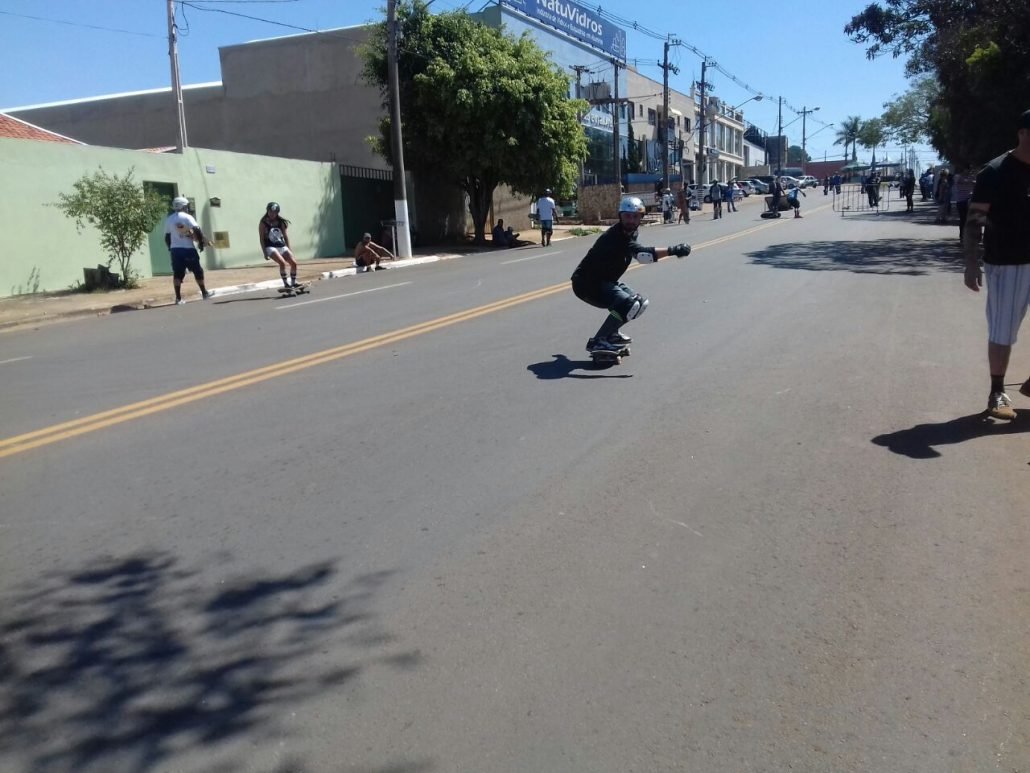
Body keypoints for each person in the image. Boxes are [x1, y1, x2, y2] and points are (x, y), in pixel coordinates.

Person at [962, 108, 1030, 420]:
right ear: (1022, 133)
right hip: (1007, 262)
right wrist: (971, 263)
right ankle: (997, 391)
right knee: (1003, 329)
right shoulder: (995, 171)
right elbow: (974, 221)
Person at [571, 195, 691, 356]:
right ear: (620, 216)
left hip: (604, 280)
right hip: (587, 284)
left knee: (640, 303)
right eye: (627, 216)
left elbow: (636, 252)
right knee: (629, 304)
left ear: (641, 218)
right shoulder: (616, 237)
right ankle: (599, 340)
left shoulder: (630, 233)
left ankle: (611, 334)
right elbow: (643, 255)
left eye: (635, 217)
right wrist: (673, 250)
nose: (631, 220)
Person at [163, 196, 213, 305]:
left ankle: (178, 298)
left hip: (175, 250)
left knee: (177, 273)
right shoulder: (187, 217)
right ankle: (204, 293)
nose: (187, 208)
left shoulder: (169, 219)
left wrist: (170, 248)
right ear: (183, 206)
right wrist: (201, 243)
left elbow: (167, 237)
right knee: (197, 270)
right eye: (186, 206)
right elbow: (197, 230)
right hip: (188, 249)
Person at [259, 202, 300, 289]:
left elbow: (285, 236)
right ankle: (286, 284)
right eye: (270, 212)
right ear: (267, 211)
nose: (272, 214)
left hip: (281, 246)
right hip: (270, 247)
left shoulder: (281, 222)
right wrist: (264, 252)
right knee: (282, 263)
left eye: (274, 212)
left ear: (277, 213)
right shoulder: (263, 223)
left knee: (294, 263)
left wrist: (289, 249)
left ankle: (293, 283)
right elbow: (261, 238)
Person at [951, 169, 976, 240]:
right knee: (963, 219)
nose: (968, 171)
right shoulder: (958, 176)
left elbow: (976, 183)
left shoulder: (972, 177)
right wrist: (970, 181)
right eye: (967, 169)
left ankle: (969, 235)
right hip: (961, 200)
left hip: (970, 200)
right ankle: (962, 236)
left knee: (970, 219)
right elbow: (957, 181)